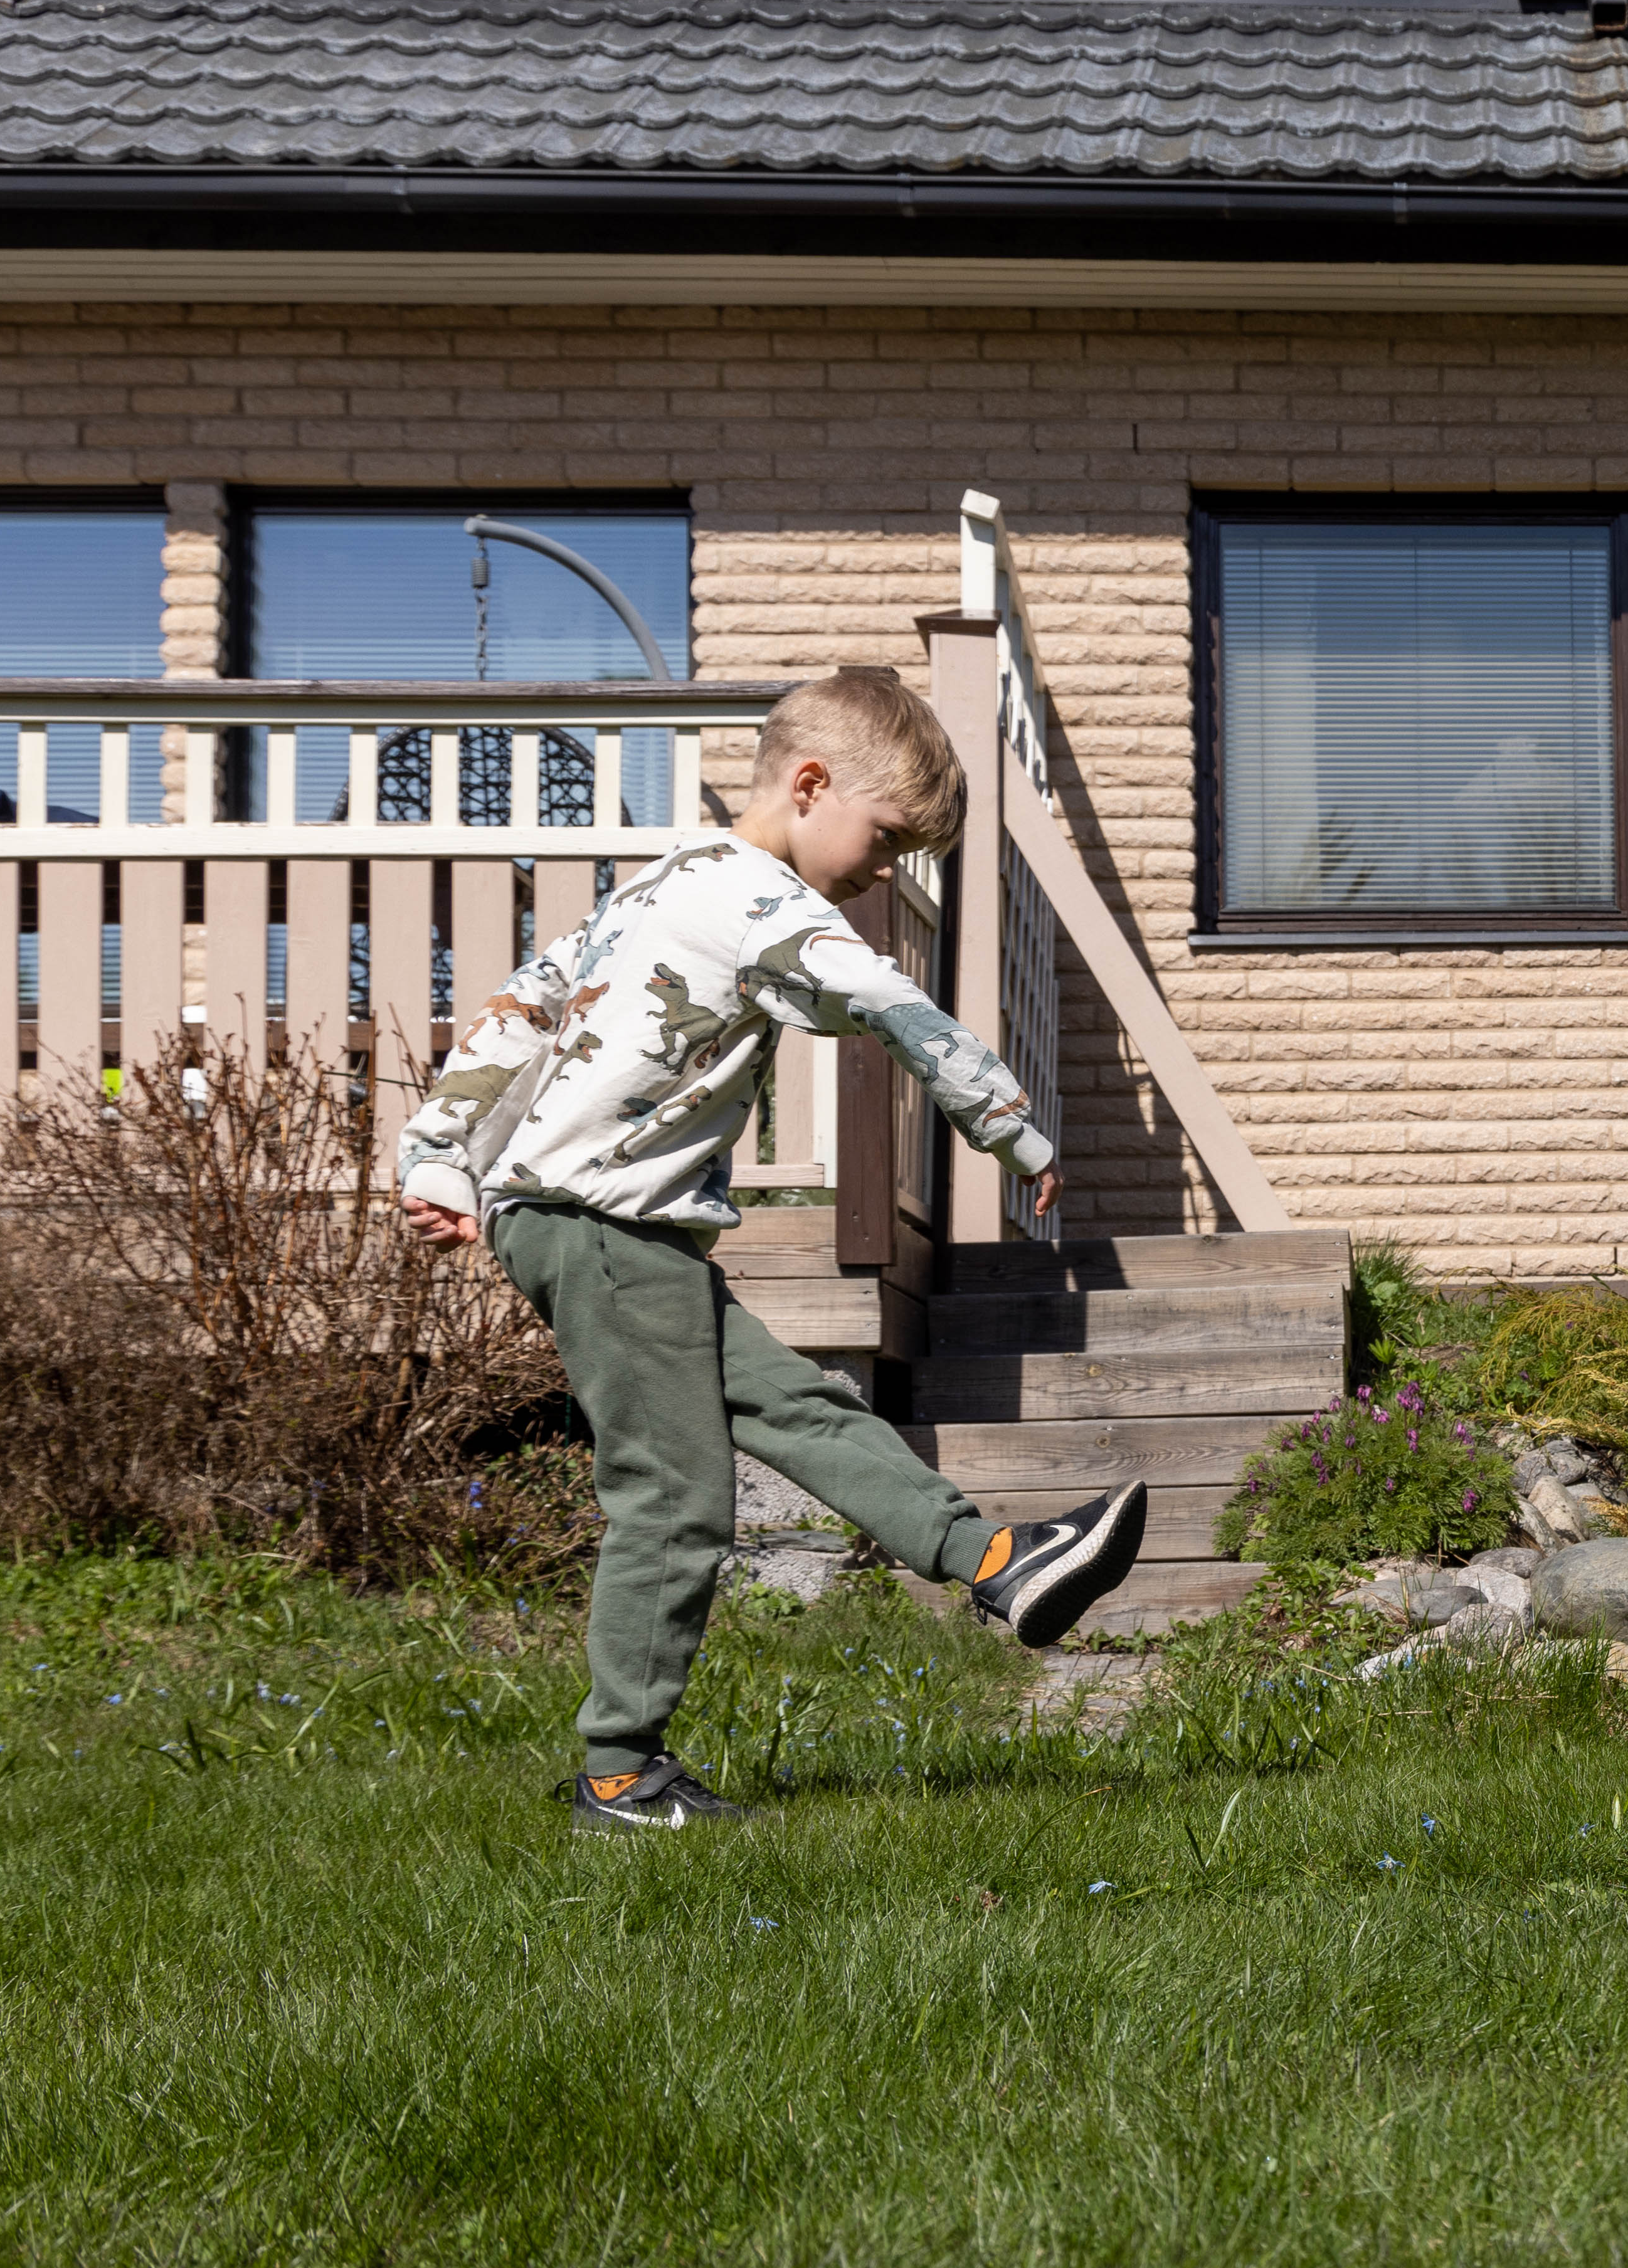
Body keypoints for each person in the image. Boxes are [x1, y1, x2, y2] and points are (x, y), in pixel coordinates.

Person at [396, 671, 1144, 1834]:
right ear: (809, 786)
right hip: (603, 1227)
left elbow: (522, 1010)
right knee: (677, 1497)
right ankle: (619, 1773)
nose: (888, 869)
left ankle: (999, 1559)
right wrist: (1007, 1121)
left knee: (803, 1410)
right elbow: (885, 998)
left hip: (589, 1221)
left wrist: (440, 1154)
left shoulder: (664, 882)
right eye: (888, 836)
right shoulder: (759, 901)